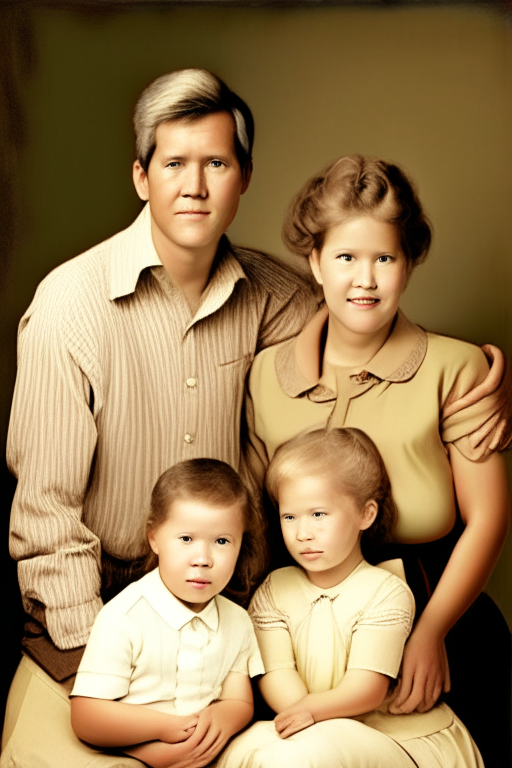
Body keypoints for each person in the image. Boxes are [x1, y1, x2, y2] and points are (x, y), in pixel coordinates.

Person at [2, 68, 318, 767]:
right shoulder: (71, 304)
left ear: (243, 177)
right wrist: (107, 677)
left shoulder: (277, 298)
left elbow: (368, 329)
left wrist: (475, 375)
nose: (195, 186)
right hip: (98, 600)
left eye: (216, 163)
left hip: (226, 594)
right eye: (174, 163)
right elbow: (45, 512)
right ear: (142, 176)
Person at [242, 155, 511, 767]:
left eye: (384, 259)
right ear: (314, 262)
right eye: (345, 258)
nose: (365, 280)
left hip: (438, 615)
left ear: (408, 263)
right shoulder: (266, 375)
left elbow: (488, 519)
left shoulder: (458, 368)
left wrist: (431, 631)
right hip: (301, 638)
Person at [220, 428, 484, 767]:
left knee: (309, 754)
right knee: (246, 750)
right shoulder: (274, 590)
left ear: (366, 514)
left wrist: (310, 713)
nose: (303, 533)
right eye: (290, 517)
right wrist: (302, 714)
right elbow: (276, 673)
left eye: (318, 514)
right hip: (308, 721)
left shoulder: (385, 591)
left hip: (394, 735)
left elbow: (367, 689)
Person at [70, 458, 265, 768]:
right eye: (186, 539)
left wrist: (223, 717)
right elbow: (86, 716)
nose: (202, 558)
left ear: (241, 545)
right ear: (154, 537)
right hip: (133, 749)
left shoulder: (237, 621)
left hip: (206, 752)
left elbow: (240, 700)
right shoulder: (124, 616)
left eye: (222, 541)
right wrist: (162, 731)